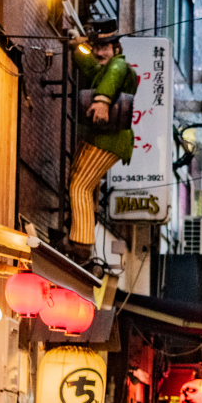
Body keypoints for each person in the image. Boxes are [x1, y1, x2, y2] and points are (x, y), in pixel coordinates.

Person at [68, 20, 138, 260]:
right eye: (96, 48)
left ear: (116, 48)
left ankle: (81, 244)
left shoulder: (119, 66)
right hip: (104, 139)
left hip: (109, 139)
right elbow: (92, 70)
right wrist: (77, 48)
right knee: (85, 184)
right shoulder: (105, 69)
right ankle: (82, 230)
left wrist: (102, 100)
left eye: (105, 48)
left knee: (79, 185)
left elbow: (114, 75)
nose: (99, 52)